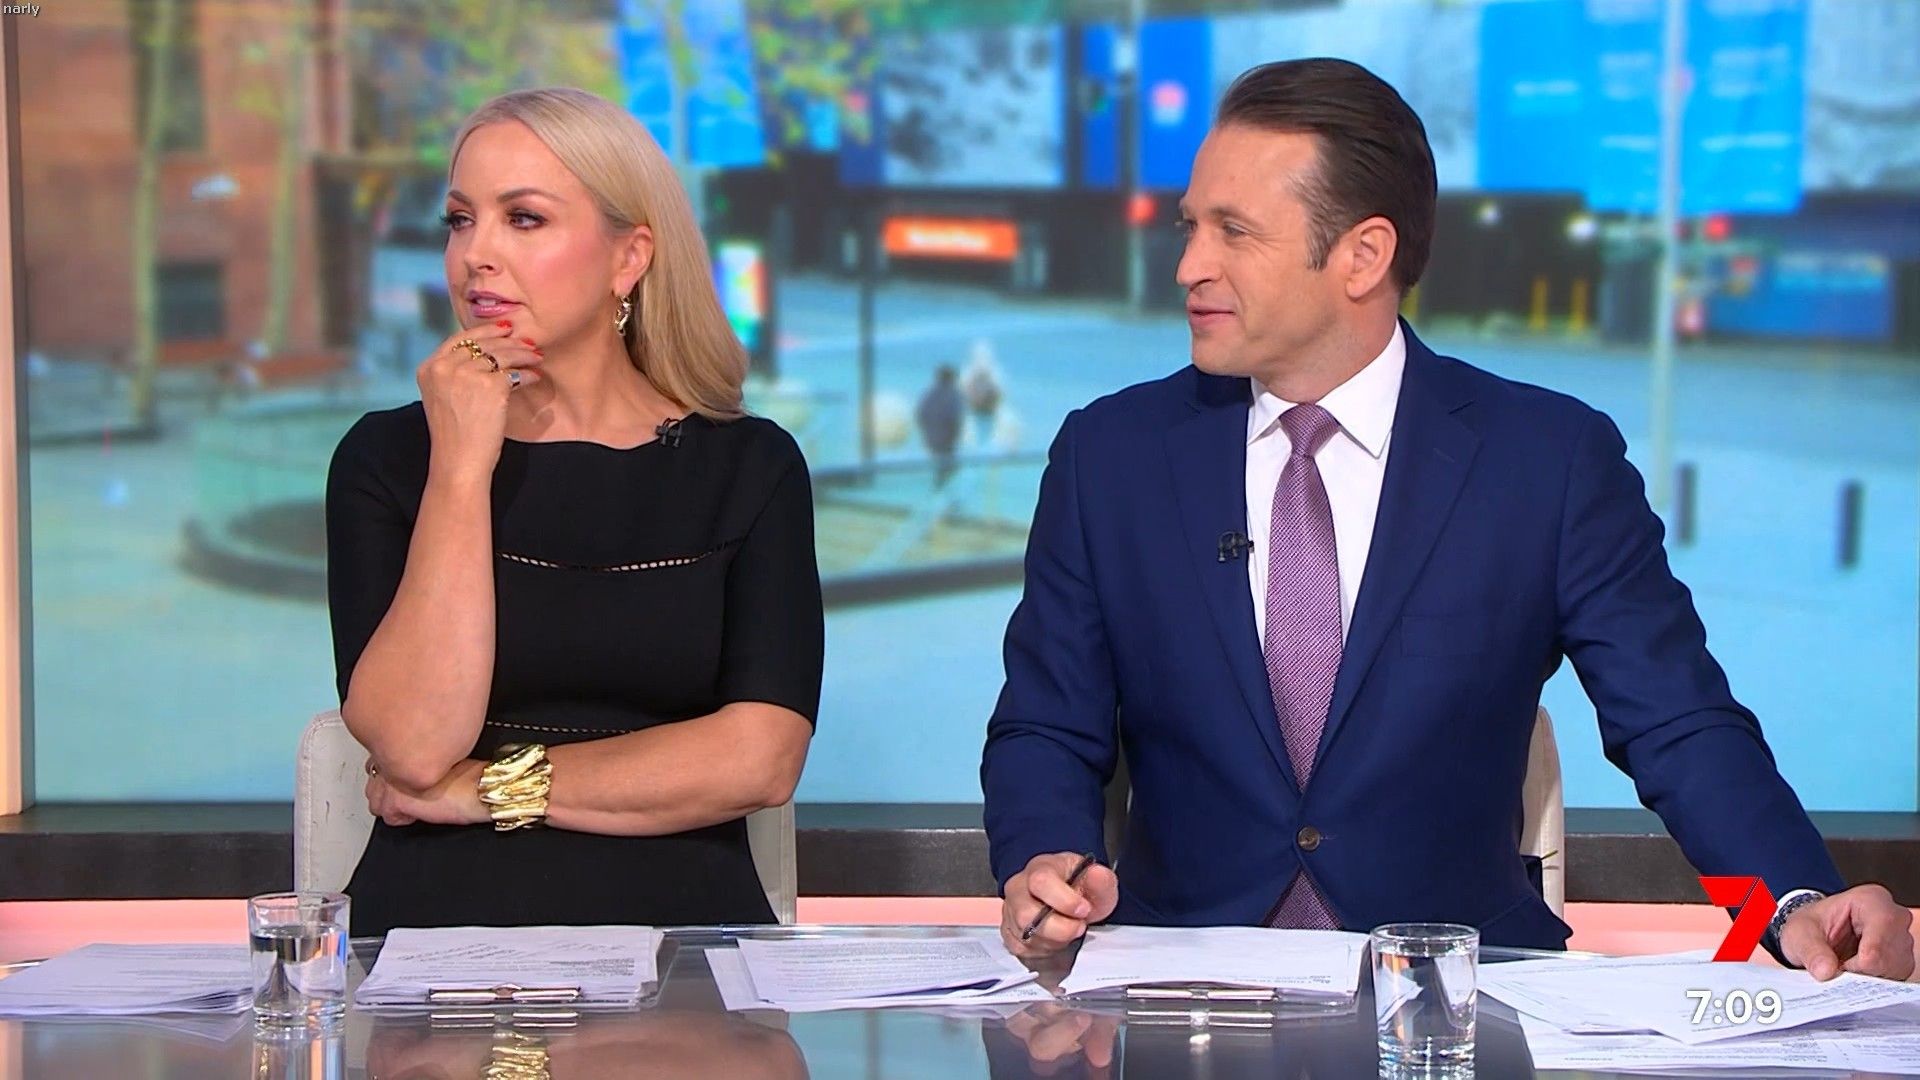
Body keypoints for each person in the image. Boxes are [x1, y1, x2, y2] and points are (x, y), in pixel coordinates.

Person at [980, 59, 1914, 979]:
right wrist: (1045, 861)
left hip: (1461, 1000)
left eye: (1235, 231)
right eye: (1192, 226)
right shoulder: (1110, 458)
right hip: (1180, 997)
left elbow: (1676, 725)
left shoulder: (1547, 462)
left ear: (1363, 256)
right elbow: (1045, 728)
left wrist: (1789, 904)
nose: (1189, 265)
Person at [326, 88, 822, 936]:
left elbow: (759, 759)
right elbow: (412, 746)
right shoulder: (387, 459)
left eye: (523, 219)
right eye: (459, 220)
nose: (476, 254)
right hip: (435, 938)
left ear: (629, 258)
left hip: (684, 939)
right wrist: (460, 467)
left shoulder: (749, 467)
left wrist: (485, 789)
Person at [916, 364, 964, 487]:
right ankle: (943, 484)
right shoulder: (954, 395)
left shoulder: (929, 395)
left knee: (944, 463)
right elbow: (955, 419)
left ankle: (941, 482)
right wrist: (956, 436)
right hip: (946, 439)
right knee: (949, 466)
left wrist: (926, 432)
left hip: (931, 438)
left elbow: (921, 415)